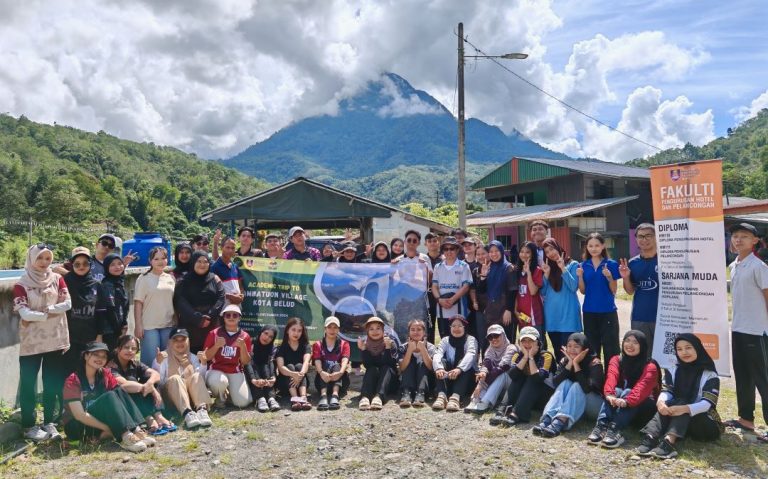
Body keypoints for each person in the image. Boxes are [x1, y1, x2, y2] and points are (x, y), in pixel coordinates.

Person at [13, 244, 72, 441]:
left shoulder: (57, 279)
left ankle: (51, 422)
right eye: (40, 258)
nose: (44, 263)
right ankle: (29, 426)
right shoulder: (21, 284)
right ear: (31, 259)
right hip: (31, 342)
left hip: (55, 338)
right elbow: (24, 312)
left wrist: (41, 313)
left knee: (52, 382)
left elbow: (68, 304)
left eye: (48, 258)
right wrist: (52, 312)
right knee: (29, 383)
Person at [636, 334, 722, 459]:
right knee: (668, 403)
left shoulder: (710, 375)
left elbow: (706, 404)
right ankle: (651, 437)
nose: (684, 352)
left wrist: (684, 408)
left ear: (697, 348)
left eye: (688, 348)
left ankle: (669, 441)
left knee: (681, 403)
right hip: (680, 420)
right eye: (679, 349)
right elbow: (667, 391)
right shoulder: (673, 369)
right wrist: (661, 402)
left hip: (704, 423)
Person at [61, 342, 153, 453]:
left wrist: (148, 387)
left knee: (119, 390)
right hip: (77, 425)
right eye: (96, 354)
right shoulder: (73, 380)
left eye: (104, 356)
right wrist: (108, 428)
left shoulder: (105, 374)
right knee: (109, 395)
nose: (100, 359)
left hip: (98, 419)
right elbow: (79, 415)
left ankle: (137, 431)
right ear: (86, 356)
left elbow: (119, 398)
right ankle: (126, 437)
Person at [724, 222, 768, 439]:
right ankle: (746, 419)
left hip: (757, 330)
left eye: (744, 236)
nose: (738, 239)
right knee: (742, 375)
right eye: (735, 236)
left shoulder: (759, 267)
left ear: (755, 241)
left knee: (763, 378)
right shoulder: (734, 266)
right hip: (738, 328)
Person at [588, 330, 661, 448]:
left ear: (642, 346)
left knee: (627, 391)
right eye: (627, 341)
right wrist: (610, 395)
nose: (630, 345)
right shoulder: (616, 359)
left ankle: (615, 430)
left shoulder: (650, 366)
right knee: (615, 391)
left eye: (635, 342)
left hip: (644, 409)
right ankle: (601, 425)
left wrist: (628, 401)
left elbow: (641, 388)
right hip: (621, 406)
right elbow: (611, 377)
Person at [533, 333, 604, 438]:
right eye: (569, 346)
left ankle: (560, 422)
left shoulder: (594, 363)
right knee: (565, 383)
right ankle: (548, 418)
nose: (572, 350)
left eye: (576, 346)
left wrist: (576, 364)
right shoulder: (565, 360)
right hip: (575, 405)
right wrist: (570, 364)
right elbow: (555, 383)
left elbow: (586, 388)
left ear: (585, 348)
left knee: (577, 385)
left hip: (593, 406)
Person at [108, 335, 175, 435]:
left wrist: (150, 383)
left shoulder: (135, 363)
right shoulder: (111, 365)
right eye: (126, 347)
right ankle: (148, 418)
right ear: (118, 349)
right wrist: (151, 389)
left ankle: (158, 415)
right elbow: (124, 384)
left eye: (133, 348)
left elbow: (156, 374)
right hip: (120, 403)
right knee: (132, 382)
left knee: (149, 379)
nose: (130, 350)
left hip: (137, 400)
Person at [490, 326, 555, 427]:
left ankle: (518, 413)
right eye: (524, 341)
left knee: (532, 377)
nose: (527, 344)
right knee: (518, 375)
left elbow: (537, 378)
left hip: (544, 396)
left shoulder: (546, 356)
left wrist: (531, 357)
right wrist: (525, 357)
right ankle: (503, 408)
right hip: (527, 397)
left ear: (538, 342)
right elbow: (512, 375)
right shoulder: (518, 355)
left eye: (531, 341)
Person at [152, 328, 213, 429]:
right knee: (175, 378)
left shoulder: (192, 357)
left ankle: (201, 410)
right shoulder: (162, 357)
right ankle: (187, 413)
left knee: (196, 376)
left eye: (183, 340)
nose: (180, 343)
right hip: (171, 399)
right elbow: (159, 383)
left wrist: (203, 363)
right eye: (176, 340)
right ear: (170, 342)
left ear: (188, 341)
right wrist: (158, 364)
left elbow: (200, 381)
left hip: (191, 396)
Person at [63, 247, 108, 375]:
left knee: (87, 369)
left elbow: (101, 312)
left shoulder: (97, 285)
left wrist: (99, 335)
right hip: (69, 336)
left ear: (90, 264)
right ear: (72, 265)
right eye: (77, 264)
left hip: (90, 336)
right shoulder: (65, 282)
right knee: (69, 369)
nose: (81, 266)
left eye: (85, 263)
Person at [577, 232, 621, 362]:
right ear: (587, 247)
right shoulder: (583, 266)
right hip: (589, 312)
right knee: (592, 348)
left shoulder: (611, 264)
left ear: (603, 246)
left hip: (608, 311)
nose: (594, 248)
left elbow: (614, 290)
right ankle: (595, 378)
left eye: (597, 245)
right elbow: (583, 291)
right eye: (590, 246)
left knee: (611, 348)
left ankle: (612, 379)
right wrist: (580, 276)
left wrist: (609, 277)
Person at [174, 251, 225, 353]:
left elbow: (221, 297)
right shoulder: (184, 280)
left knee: (211, 352)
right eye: (199, 261)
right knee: (191, 356)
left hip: (211, 323)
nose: (202, 264)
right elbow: (180, 301)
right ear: (193, 262)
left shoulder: (214, 279)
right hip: (190, 325)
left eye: (205, 261)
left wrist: (209, 316)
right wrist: (197, 318)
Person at [540, 238, 581, 362]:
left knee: (570, 353)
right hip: (552, 316)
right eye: (547, 252)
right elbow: (542, 291)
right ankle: (562, 377)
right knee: (558, 352)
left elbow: (573, 287)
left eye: (552, 249)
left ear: (558, 247)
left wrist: (563, 268)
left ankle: (573, 377)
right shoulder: (548, 268)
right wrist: (546, 274)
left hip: (568, 315)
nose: (550, 253)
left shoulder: (573, 264)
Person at [203, 304, 253, 408]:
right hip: (216, 370)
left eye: (235, 315)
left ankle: (231, 394)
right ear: (223, 317)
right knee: (219, 382)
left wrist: (243, 347)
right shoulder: (214, 333)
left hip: (235, 371)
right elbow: (205, 357)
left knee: (242, 403)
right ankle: (221, 398)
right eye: (228, 315)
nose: (231, 317)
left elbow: (245, 362)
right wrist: (216, 346)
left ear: (239, 318)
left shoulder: (245, 336)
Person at [619, 224, 659, 349]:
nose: (644, 239)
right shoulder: (633, 263)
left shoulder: (667, 261)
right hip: (640, 317)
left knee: (668, 359)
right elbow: (630, 291)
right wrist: (625, 277)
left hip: (664, 317)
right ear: (636, 239)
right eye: (640, 236)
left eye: (648, 236)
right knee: (643, 356)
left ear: (656, 237)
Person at [133, 246, 176, 365]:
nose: (160, 261)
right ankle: (148, 383)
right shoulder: (144, 278)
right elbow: (138, 303)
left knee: (166, 360)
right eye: (156, 259)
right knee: (151, 360)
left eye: (163, 258)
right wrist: (138, 325)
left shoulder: (171, 278)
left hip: (168, 324)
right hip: (149, 326)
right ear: (150, 261)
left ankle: (164, 383)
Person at [466, 324, 517, 414]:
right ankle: (476, 399)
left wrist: (480, 385)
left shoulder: (511, 348)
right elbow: (486, 364)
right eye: (490, 337)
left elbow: (501, 368)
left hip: (511, 386)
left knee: (502, 374)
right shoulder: (490, 349)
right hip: (496, 385)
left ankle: (486, 401)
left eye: (496, 335)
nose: (493, 339)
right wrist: (483, 373)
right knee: (484, 373)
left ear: (503, 335)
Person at [432, 315, 478, 412]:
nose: (456, 329)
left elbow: (471, 355)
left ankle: (456, 397)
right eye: (453, 326)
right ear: (450, 328)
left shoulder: (471, 340)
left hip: (466, 379)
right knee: (441, 362)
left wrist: (459, 369)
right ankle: (442, 396)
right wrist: (439, 368)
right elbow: (437, 354)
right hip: (449, 377)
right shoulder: (445, 340)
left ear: (465, 327)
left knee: (465, 364)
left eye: (460, 326)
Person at [478, 241, 518, 346]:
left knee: (506, 341)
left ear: (501, 251)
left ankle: (506, 363)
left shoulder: (509, 268)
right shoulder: (489, 267)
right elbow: (481, 290)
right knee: (491, 341)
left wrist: (509, 310)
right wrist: (483, 276)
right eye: (491, 251)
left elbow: (512, 291)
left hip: (505, 310)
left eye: (496, 251)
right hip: (492, 311)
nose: (494, 254)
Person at [431, 237, 473, 338]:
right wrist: (439, 299)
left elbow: (466, 286)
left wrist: (453, 299)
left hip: (458, 309)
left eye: (452, 248)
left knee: (459, 338)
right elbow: (434, 286)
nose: (449, 251)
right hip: (442, 310)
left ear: (457, 250)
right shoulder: (438, 267)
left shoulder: (463, 266)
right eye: (446, 249)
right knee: (444, 338)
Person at [358, 317, 399, 410]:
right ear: (367, 331)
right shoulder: (366, 344)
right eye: (371, 329)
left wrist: (388, 348)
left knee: (386, 367)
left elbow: (391, 364)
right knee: (372, 369)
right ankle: (365, 397)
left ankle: (379, 397)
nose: (375, 331)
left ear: (383, 330)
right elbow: (367, 365)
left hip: (389, 381)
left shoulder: (391, 342)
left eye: (378, 328)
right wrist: (364, 350)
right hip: (374, 382)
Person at [312, 317, 351, 411]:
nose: (332, 330)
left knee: (337, 365)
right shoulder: (317, 344)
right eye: (329, 327)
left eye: (335, 327)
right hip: (322, 380)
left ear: (338, 329)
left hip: (341, 381)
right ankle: (323, 396)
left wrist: (340, 372)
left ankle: (335, 395)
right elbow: (317, 360)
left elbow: (345, 360)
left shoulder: (344, 344)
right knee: (324, 364)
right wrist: (321, 372)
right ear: (325, 329)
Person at [275, 317, 312, 411]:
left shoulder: (305, 346)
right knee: (290, 366)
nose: (296, 333)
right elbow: (281, 367)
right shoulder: (281, 348)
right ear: (287, 330)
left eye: (299, 331)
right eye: (293, 330)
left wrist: (299, 375)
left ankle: (303, 398)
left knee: (300, 366)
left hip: (301, 382)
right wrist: (293, 374)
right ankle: (295, 400)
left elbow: (306, 362)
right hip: (285, 385)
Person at [398, 319, 436, 408]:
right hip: (408, 381)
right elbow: (402, 368)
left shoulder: (431, 347)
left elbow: (430, 367)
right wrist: (409, 350)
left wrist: (423, 349)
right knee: (409, 362)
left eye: (419, 329)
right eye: (413, 329)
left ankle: (420, 393)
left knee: (422, 364)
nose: (416, 332)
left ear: (424, 332)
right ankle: (406, 393)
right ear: (409, 332)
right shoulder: (403, 347)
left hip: (425, 382)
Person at [515, 242, 545, 345]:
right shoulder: (517, 270)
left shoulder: (537, 270)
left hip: (534, 317)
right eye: (522, 251)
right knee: (524, 344)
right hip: (521, 316)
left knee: (537, 344)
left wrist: (528, 273)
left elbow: (533, 291)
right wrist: (516, 311)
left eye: (528, 252)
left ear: (533, 254)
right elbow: (515, 293)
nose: (524, 254)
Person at [246, 325, 281, 412]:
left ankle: (271, 399)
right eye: (265, 333)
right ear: (260, 332)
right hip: (251, 373)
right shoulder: (250, 343)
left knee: (265, 367)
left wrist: (273, 377)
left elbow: (271, 363)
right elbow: (247, 363)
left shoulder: (272, 348)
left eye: (270, 337)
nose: (267, 338)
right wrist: (253, 379)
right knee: (256, 367)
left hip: (265, 372)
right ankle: (260, 399)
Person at [101, 254, 130, 350]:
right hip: (110, 330)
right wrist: (118, 330)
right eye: (112, 265)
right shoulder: (107, 284)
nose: (117, 267)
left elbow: (125, 305)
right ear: (106, 267)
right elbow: (110, 308)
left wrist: (124, 323)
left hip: (119, 327)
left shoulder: (119, 282)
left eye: (119, 263)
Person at [211, 236, 245, 306]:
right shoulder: (215, 267)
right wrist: (230, 296)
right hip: (221, 310)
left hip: (236, 310)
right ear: (221, 248)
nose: (230, 250)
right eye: (227, 247)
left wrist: (241, 296)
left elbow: (241, 286)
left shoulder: (235, 266)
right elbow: (212, 291)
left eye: (233, 248)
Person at [424, 232, 443, 341]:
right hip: (427, 295)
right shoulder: (422, 259)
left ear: (438, 243)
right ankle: (429, 352)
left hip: (442, 295)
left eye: (434, 241)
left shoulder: (445, 259)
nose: (432, 243)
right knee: (429, 325)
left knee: (443, 325)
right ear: (425, 244)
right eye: (429, 241)